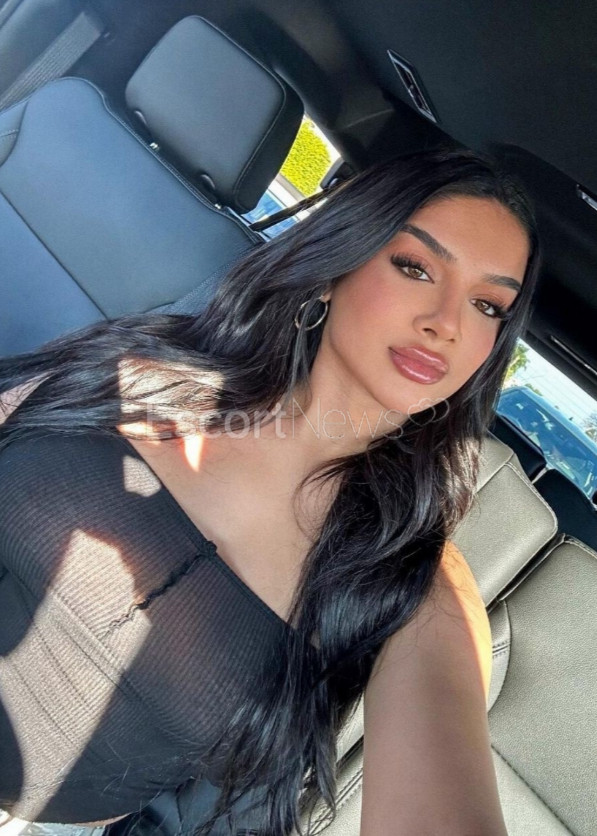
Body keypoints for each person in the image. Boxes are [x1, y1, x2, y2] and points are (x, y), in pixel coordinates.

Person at [0, 148, 539, 836]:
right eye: (414, 267)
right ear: (335, 267)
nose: (447, 322)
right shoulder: (145, 366)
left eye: (487, 305)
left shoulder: (409, 581)